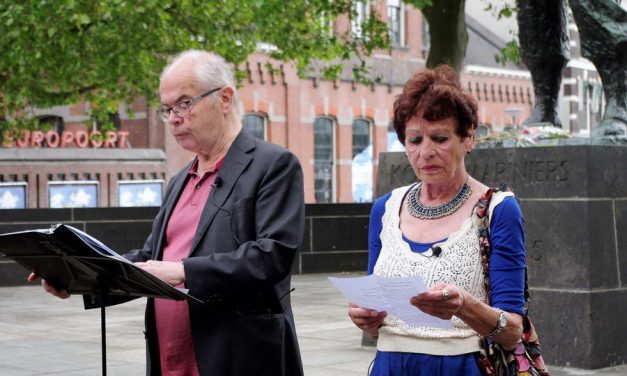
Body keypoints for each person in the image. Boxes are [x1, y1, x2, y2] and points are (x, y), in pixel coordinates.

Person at [29, 49, 305, 376]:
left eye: (184, 103)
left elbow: (272, 256)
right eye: (167, 109)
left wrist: (182, 271)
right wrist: (78, 276)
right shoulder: (179, 180)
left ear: (225, 98)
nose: (173, 117)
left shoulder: (273, 165)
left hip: (238, 357)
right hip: (170, 360)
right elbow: (150, 258)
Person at [348, 65, 526, 375]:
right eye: (414, 140)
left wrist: (465, 306)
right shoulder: (385, 209)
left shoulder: (498, 210)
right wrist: (366, 317)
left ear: (468, 137)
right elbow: (377, 316)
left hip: (463, 367)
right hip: (390, 365)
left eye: (440, 138)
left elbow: (512, 332)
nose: (426, 152)